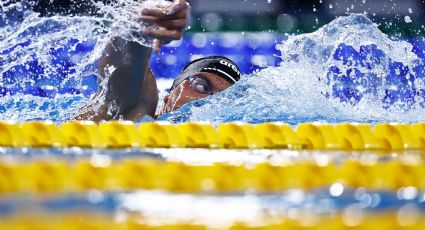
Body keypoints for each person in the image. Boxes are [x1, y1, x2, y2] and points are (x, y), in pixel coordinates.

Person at [72, 0, 242, 122]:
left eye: (223, 98)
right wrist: (142, 24)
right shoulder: (138, 110)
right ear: (168, 97)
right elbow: (123, 68)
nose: (209, 101)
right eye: (201, 85)